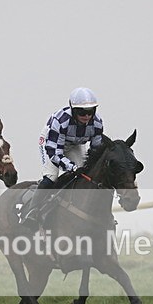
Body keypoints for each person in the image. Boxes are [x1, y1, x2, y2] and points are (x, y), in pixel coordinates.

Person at [21, 87, 104, 228]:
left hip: (75, 144)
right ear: (73, 110)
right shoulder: (60, 121)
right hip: (51, 144)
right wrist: (72, 167)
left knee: (84, 176)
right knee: (51, 177)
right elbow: (55, 154)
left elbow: (96, 151)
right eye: (82, 112)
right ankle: (32, 212)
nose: (87, 116)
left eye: (90, 111)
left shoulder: (97, 123)